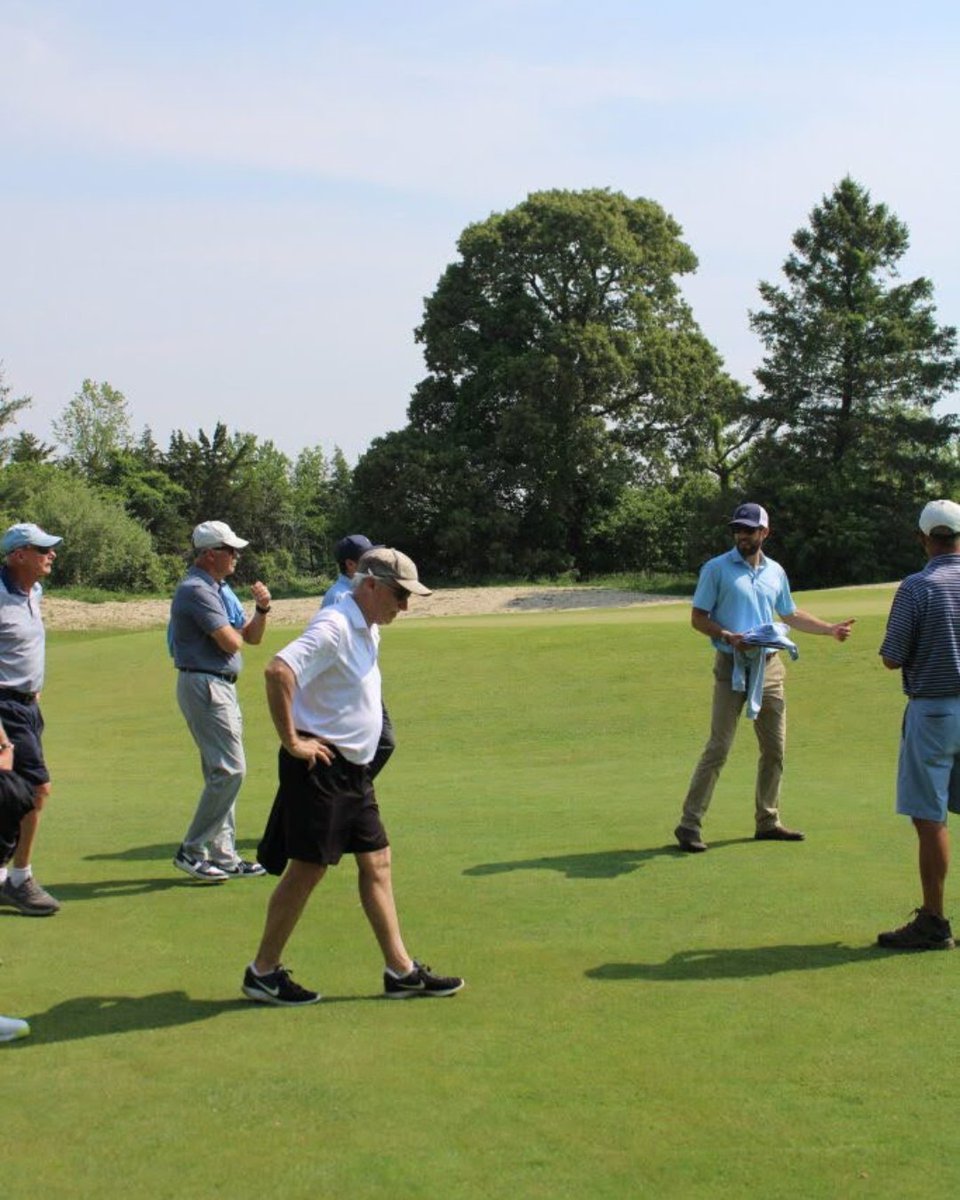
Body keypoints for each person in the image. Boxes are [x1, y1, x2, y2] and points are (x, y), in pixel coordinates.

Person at [242, 546, 464, 1005]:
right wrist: (293, 742)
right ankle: (262, 971)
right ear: (371, 585)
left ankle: (400, 970)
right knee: (308, 870)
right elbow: (278, 671)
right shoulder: (335, 625)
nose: (405, 606)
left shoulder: (367, 626)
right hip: (321, 767)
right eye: (400, 595)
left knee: (377, 861)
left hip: (354, 772)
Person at [674, 502, 855, 852]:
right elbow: (698, 617)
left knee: (774, 749)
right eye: (738, 530)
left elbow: (790, 613)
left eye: (749, 530)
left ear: (764, 532)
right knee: (718, 747)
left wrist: (829, 629)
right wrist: (727, 635)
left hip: (770, 667)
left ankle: (768, 821)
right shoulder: (716, 569)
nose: (742, 535)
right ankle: (689, 825)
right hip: (731, 665)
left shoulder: (775, 572)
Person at [877, 500, 960, 951]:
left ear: (923, 538)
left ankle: (933, 921)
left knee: (930, 817)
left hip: (934, 713)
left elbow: (892, 657)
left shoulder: (916, 587)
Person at [169, 521, 272, 882]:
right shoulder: (196, 590)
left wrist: (261, 610)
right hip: (205, 683)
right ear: (210, 554)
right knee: (230, 771)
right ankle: (192, 850)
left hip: (218, 684)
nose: (236, 556)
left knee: (222, 771)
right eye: (230, 550)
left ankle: (224, 855)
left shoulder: (217, 589)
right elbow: (231, 642)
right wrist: (235, 631)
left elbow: (251, 637)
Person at [0, 522, 63, 915]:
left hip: (26, 706)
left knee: (12, 793)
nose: (50, 554)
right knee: (37, 789)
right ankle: (19, 879)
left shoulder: (33, 591)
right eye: (42, 549)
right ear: (18, 555)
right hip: (4, 707)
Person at [323, 532, 395, 779]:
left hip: (361, 679)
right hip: (349, 684)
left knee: (380, 741)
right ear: (351, 565)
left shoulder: (360, 591)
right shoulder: (340, 596)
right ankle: (348, 789)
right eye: (367, 558)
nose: (373, 563)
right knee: (382, 741)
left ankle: (351, 789)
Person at [321, 534, 375, 609]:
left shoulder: (364, 590)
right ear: (350, 564)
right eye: (368, 560)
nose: (373, 562)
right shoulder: (337, 598)